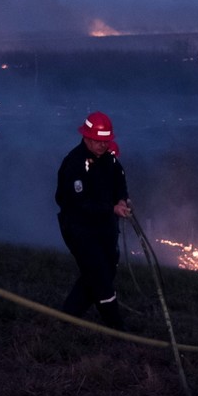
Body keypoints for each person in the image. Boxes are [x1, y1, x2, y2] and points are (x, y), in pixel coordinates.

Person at [55, 111, 131, 329]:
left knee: (104, 272)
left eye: (107, 141)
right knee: (100, 279)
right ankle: (117, 329)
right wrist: (111, 208)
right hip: (80, 230)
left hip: (105, 228)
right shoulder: (74, 164)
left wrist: (122, 200)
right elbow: (77, 203)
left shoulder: (110, 159)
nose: (103, 145)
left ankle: (68, 318)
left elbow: (119, 181)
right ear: (87, 137)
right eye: (99, 141)